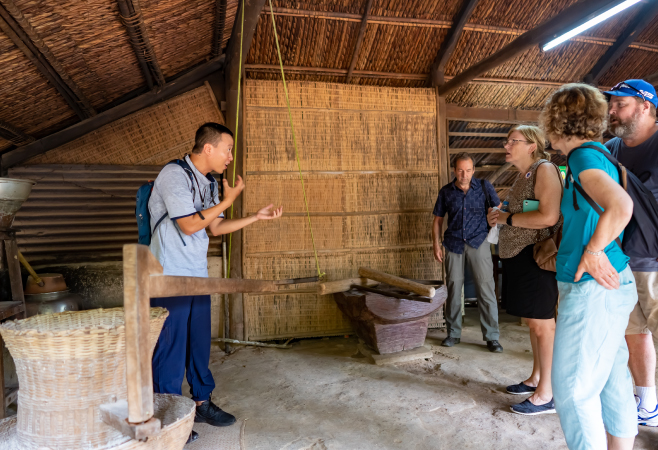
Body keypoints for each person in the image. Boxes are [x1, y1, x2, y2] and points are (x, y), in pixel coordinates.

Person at [148, 123, 283, 443]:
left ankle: (201, 402)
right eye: (228, 149)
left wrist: (254, 216)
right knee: (170, 348)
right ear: (208, 148)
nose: (230, 157)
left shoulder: (207, 183)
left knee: (198, 342)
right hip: (169, 275)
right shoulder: (174, 175)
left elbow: (216, 228)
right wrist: (230, 198)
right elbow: (190, 225)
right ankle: (168, 416)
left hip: (196, 273)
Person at [541, 83, 637, 450]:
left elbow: (621, 207)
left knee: (572, 391)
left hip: (594, 289)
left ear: (556, 121)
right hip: (614, 285)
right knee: (613, 382)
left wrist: (593, 251)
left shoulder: (582, 158)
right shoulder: (598, 154)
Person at [487, 125, 562, 416]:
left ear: (532, 145)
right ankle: (536, 379)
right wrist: (501, 216)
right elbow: (522, 212)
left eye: (513, 141)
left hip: (537, 257)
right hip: (520, 256)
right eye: (507, 140)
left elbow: (548, 216)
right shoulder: (523, 175)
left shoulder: (544, 169)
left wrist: (507, 216)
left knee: (544, 325)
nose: (507, 145)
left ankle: (548, 394)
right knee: (533, 322)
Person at [604, 79, 658, 427]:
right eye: (612, 104)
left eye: (620, 104)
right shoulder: (610, 148)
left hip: (655, 261)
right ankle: (647, 401)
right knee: (633, 331)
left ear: (646, 106)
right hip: (622, 259)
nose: (612, 111)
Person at [432, 152, 503, 353]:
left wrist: (492, 216)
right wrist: (436, 244)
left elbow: (497, 206)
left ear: (474, 170)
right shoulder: (446, 192)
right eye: (460, 170)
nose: (464, 174)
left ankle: (492, 337)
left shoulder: (483, 187)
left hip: (478, 242)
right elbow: (437, 220)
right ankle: (453, 333)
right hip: (453, 243)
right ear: (454, 170)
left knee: (486, 288)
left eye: (468, 170)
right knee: (454, 288)